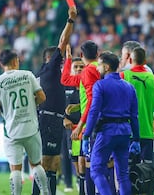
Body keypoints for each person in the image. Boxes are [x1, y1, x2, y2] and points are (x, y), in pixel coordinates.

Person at [0, 49, 48, 195]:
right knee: (36, 164)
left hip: (12, 131)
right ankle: (46, 192)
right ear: (15, 60)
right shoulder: (27, 75)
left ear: (1, 64)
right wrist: (30, 105)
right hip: (31, 127)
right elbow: (41, 97)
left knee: (15, 168)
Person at [32, 5, 77, 195]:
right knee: (46, 162)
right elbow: (63, 40)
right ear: (50, 59)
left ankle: (48, 192)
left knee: (53, 162)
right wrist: (71, 19)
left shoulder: (42, 75)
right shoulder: (50, 69)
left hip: (52, 119)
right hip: (49, 119)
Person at [81, 51, 140, 195]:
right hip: (125, 132)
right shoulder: (129, 87)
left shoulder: (100, 85)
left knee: (96, 170)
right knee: (123, 175)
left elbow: (94, 112)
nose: (97, 68)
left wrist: (86, 135)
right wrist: (136, 139)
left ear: (106, 67)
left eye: (99, 65)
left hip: (107, 131)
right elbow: (134, 116)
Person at [61, 40, 101, 195]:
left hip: (91, 123)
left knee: (89, 163)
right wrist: (78, 107)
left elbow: (92, 100)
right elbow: (66, 81)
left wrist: (81, 125)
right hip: (101, 120)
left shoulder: (89, 71)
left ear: (82, 55)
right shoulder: (103, 69)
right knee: (86, 161)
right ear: (97, 54)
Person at [120, 47, 154, 164]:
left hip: (126, 133)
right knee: (145, 173)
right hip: (146, 133)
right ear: (145, 62)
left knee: (126, 173)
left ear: (130, 60)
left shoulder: (123, 77)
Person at [61, 56, 85, 193]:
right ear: (70, 69)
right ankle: (70, 182)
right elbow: (58, 105)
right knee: (70, 156)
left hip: (86, 127)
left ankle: (82, 181)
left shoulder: (89, 84)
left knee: (84, 158)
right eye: (76, 67)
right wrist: (63, 119)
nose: (78, 69)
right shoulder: (65, 85)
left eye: (81, 67)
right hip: (70, 128)